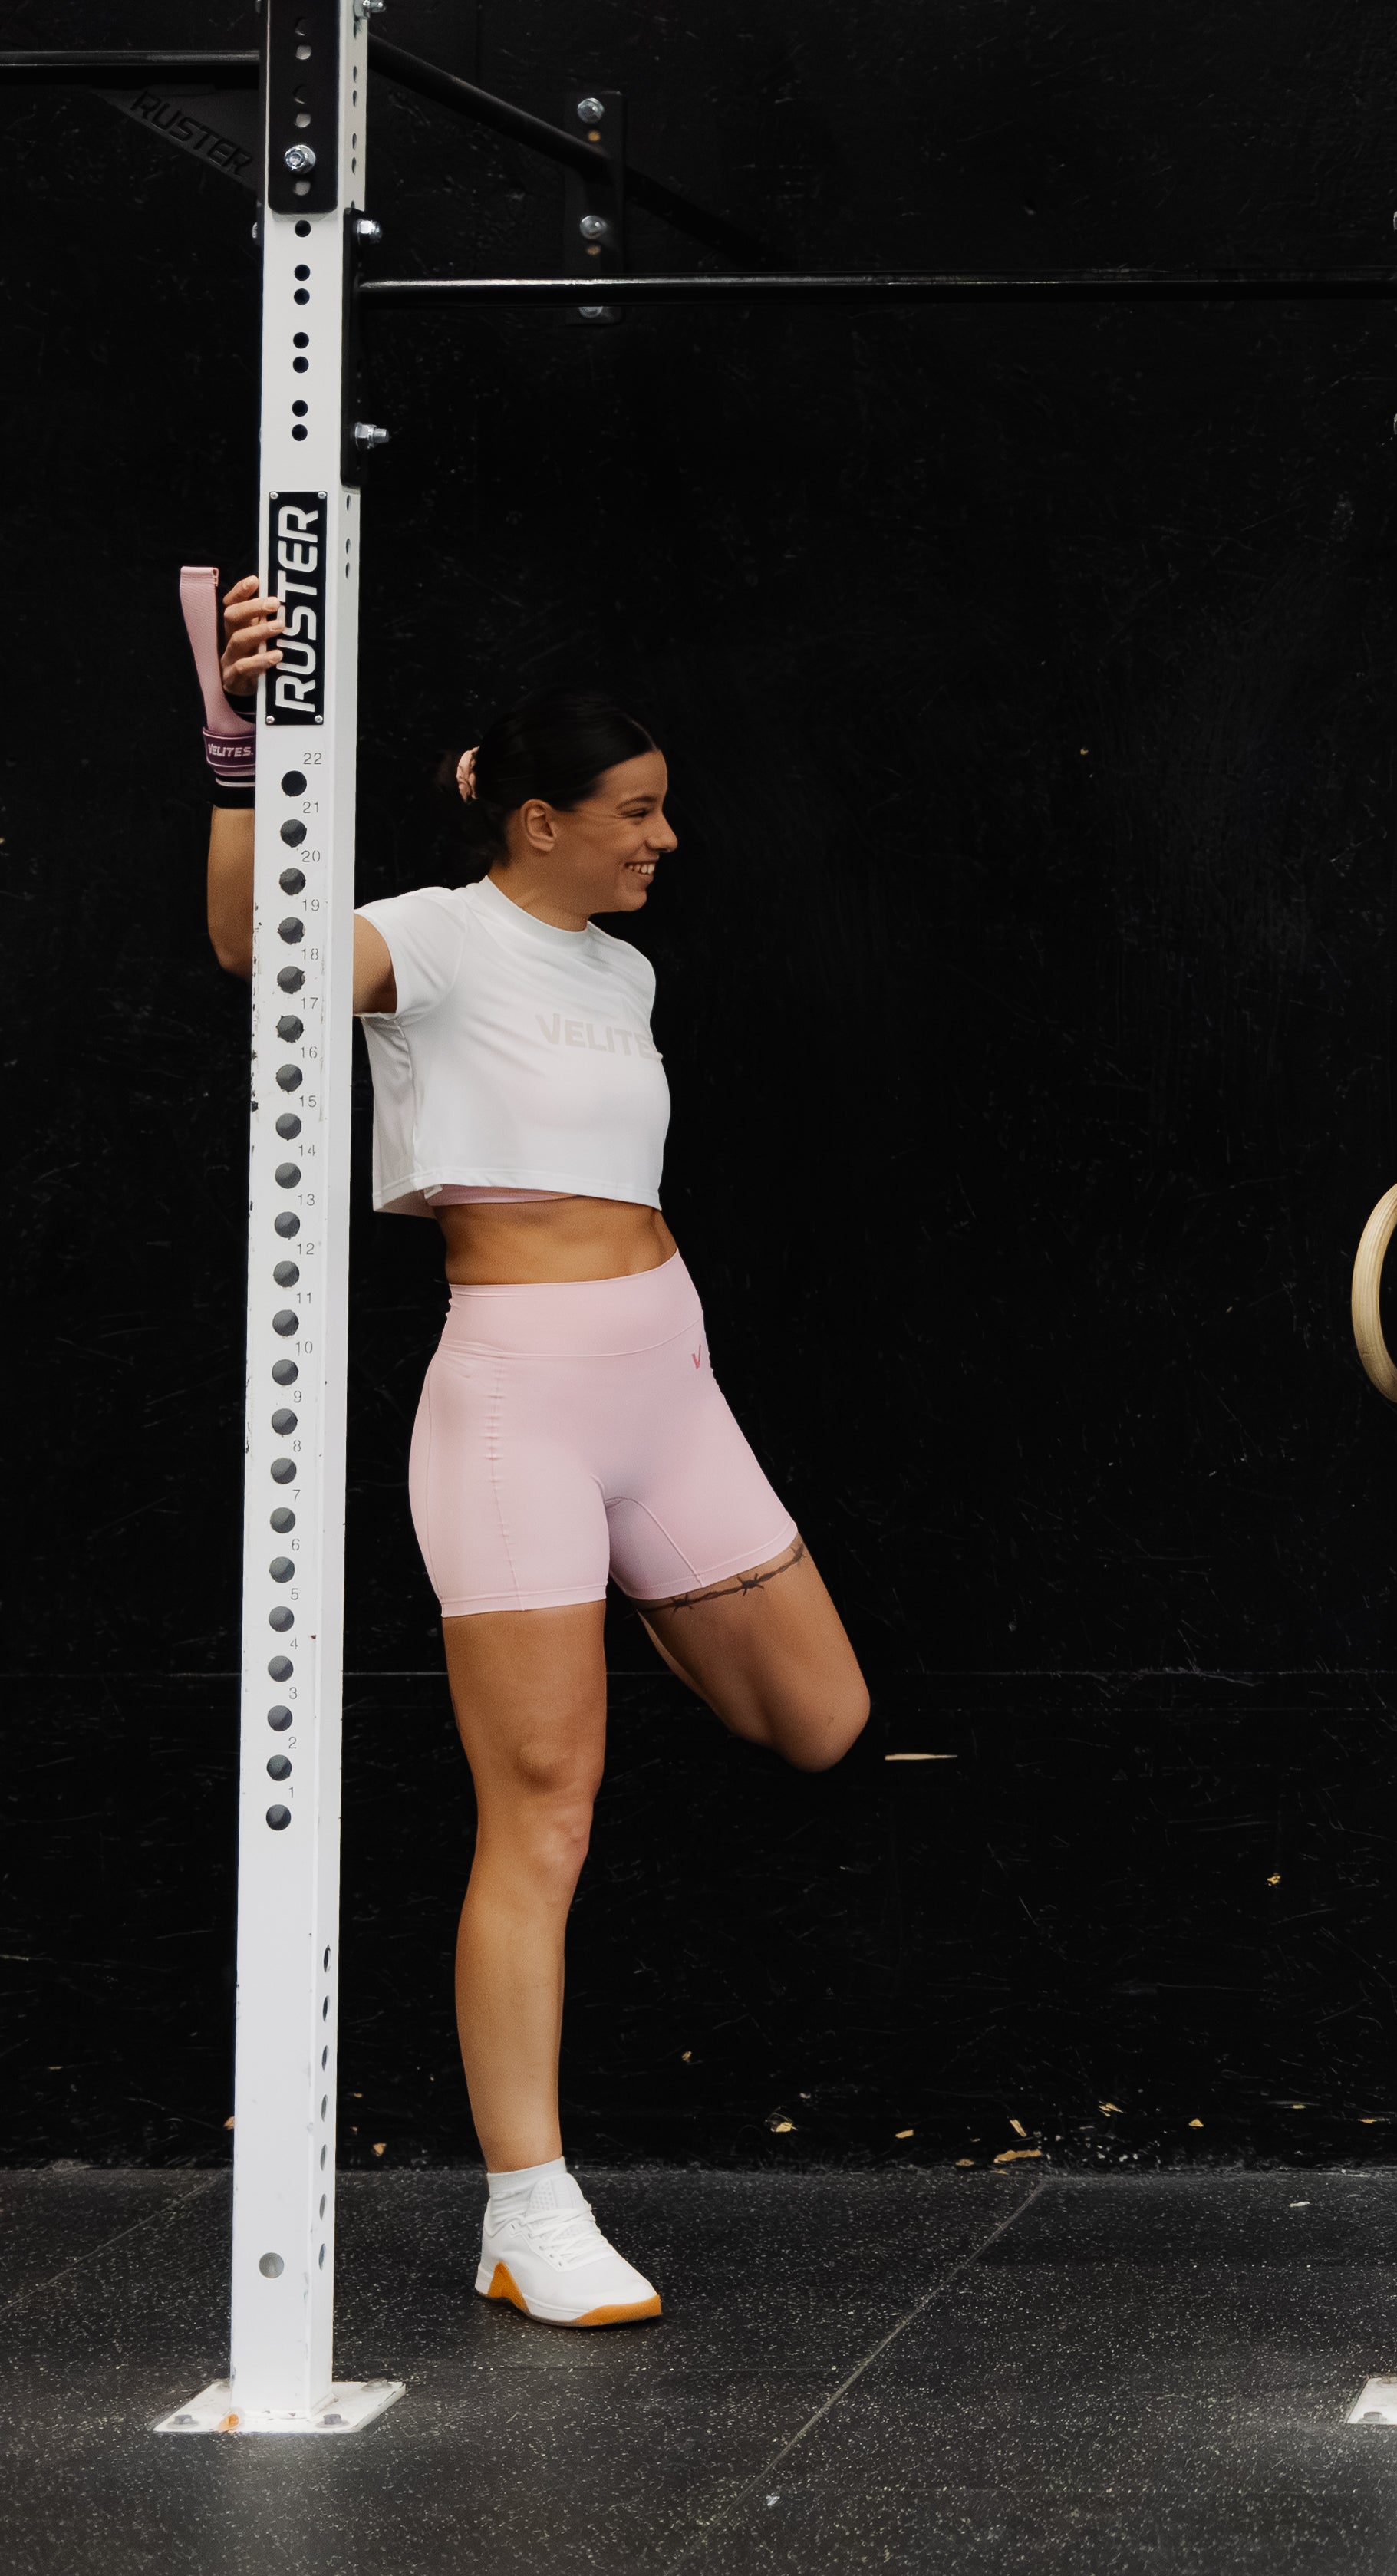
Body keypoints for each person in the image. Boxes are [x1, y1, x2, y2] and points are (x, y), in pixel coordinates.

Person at [192, 576, 869, 2327]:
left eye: (662, 808)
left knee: (821, 1719)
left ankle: (595, 1601)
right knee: (544, 1812)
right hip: (517, 1409)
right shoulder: (429, 937)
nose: (664, 838)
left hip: (669, 1387)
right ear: (540, 822)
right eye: (634, 812)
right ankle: (527, 2211)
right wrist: (241, 748)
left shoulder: (622, 967)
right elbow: (255, 950)